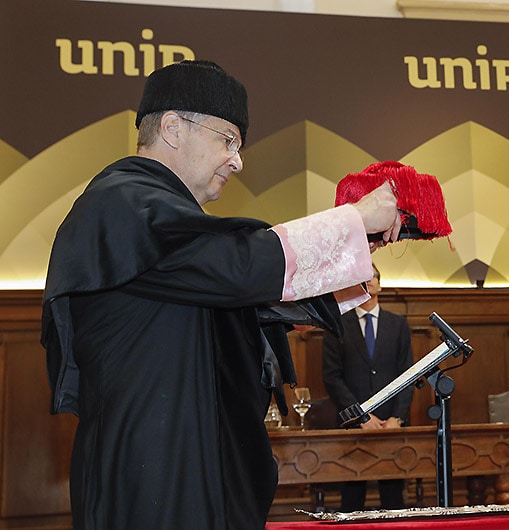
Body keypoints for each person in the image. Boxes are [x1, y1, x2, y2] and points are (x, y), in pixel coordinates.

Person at [41, 60, 403, 530]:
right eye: (228, 139)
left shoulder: (166, 222)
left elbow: (249, 298)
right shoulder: (119, 203)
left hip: (192, 457)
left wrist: (358, 248)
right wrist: (353, 220)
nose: (238, 160)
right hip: (151, 469)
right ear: (172, 127)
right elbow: (237, 269)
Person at [322, 263, 415, 512]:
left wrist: (399, 417)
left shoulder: (398, 324)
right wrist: (360, 416)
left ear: (379, 284)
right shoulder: (338, 325)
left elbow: (408, 375)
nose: (368, 281)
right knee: (352, 501)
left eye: (371, 277)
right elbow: (332, 377)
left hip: (390, 426)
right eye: (361, 278)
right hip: (354, 426)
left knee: (394, 499)